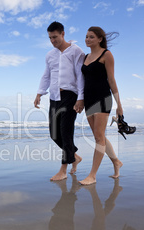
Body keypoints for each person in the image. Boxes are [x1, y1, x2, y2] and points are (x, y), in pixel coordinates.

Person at [34, 21, 85, 181]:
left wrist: (81, 98)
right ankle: (74, 156)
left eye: (55, 37)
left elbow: (80, 75)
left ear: (63, 34)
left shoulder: (76, 51)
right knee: (54, 134)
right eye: (50, 38)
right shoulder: (50, 55)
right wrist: (39, 93)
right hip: (54, 97)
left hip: (70, 95)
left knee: (65, 132)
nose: (53, 41)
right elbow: (46, 75)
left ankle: (63, 170)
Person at [78, 26, 124, 185]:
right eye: (86, 36)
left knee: (98, 137)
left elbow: (112, 80)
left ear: (99, 39)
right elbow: (82, 81)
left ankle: (92, 175)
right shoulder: (85, 56)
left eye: (91, 37)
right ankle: (116, 162)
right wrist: (81, 99)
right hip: (89, 100)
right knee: (100, 136)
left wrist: (119, 105)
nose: (87, 39)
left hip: (103, 98)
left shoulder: (107, 55)